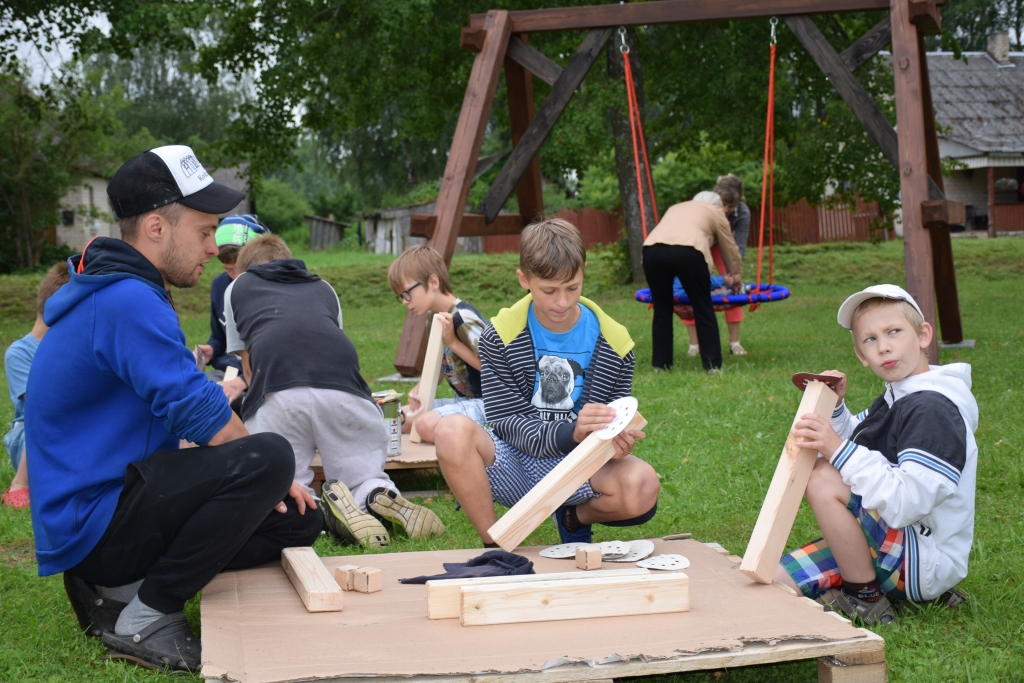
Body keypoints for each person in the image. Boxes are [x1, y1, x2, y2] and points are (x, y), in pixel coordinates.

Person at [26, 145, 322, 672]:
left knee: (298, 521)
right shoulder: (125, 301)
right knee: (272, 458)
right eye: (205, 231)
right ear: (157, 228)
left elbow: (186, 408)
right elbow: (201, 415)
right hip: (95, 527)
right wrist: (265, 473)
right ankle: (145, 614)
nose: (214, 247)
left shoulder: (129, 292)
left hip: (119, 504)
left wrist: (266, 486)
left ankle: (127, 587)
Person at [433, 218, 660, 546]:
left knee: (644, 484)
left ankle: (572, 517)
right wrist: (573, 431)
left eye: (573, 287)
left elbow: (610, 424)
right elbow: (507, 423)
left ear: (584, 272)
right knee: (450, 430)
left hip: (577, 468)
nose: (562, 302)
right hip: (513, 462)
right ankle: (495, 544)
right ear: (524, 279)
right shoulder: (500, 336)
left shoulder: (616, 344)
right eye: (549, 290)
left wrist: (616, 443)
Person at [223, 234, 445, 548]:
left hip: (278, 391)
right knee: (362, 470)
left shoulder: (237, 288)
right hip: (344, 388)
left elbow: (248, 368)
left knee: (286, 483)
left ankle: (321, 511)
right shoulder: (324, 288)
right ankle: (376, 493)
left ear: (245, 271)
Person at [774, 285, 977, 624]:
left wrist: (835, 449)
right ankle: (861, 579)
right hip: (898, 544)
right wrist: (837, 410)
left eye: (894, 332)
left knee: (823, 476)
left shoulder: (931, 409)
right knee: (776, 582)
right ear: (860, 355)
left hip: (924, 561)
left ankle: (864, 595)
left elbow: (905, 502)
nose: (883, 346)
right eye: (869, 340)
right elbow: (862, 447)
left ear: (923, 335)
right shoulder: (900, 394)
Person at [387, 245, 488, 442]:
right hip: (462, 403)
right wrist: (419, 389)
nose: (405, 302)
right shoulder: (433, 317)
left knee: (423, 425)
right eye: (401, 296)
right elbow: (443, 365)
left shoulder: (464, 318)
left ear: (433, 282)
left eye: (407, 293)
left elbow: (495, 369)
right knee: (399, 418)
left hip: (490, 406)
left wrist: (453, 342)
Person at [642, 191, 744, 373]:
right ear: (718, 205)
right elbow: (729, 246)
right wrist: (736, 278)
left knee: (662, 309)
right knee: (702, 306)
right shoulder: (715, 211)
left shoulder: (676, 207)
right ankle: (712, 366)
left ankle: (661, 365)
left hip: (652, 251)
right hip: (689, 251)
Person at [2, 263, 70, 509]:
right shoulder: (19, 352)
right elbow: (41, 405)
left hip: (64, 431)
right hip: (27, 440)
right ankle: (21, 485)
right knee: (48, 409)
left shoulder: (69, 350)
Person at [195, 214, 267, 405]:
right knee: (200, 398)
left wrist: (243, 381)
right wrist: (210, 350)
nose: (235, 277)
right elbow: (220, 337)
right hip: (226, 372)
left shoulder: (269, 291)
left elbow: (281, 353)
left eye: (241, 268)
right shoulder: (220, 286)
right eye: (228, 269)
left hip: (263, 377)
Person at [682, 174, 751, 357]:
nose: (727, 209)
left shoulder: (743, 213)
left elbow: (739, 245)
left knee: (733, 286)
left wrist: (734, 272)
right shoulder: (703, 204)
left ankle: (734, 342)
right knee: (692, 288)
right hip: (701, 246)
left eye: (732, 206)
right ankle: (694, 344)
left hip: (725, 248)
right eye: (724, 204)